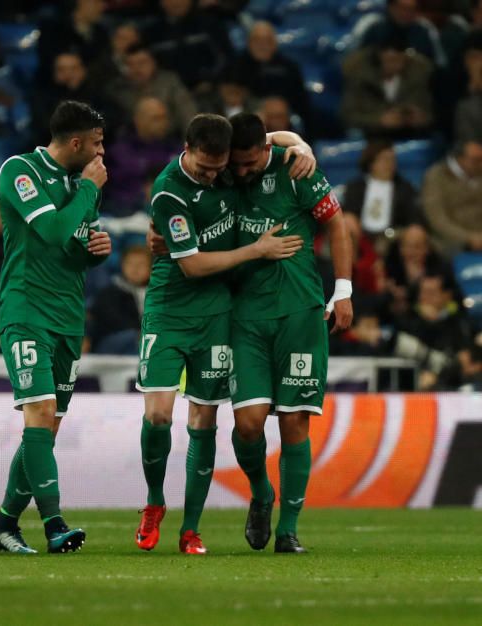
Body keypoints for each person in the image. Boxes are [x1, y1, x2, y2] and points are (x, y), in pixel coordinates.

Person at [136, 115, 308, 556]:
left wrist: (302, 146)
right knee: (157, 415)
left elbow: (272, 138)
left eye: (219, 168)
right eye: (205, 167)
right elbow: (191, 266)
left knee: (204, 419)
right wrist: (256, 250)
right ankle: (154, 502)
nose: (214, 175)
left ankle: (190, 529)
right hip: (170, 310)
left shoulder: (231, 162)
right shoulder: (170, 190)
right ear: (187, 147)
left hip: (218, 314)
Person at [225, 113, 353, 554]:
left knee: (295, 421)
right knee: (247, 424)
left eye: (248, 162)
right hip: (244, 317)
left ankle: (289, 529)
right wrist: (295, 137)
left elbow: (337, 225)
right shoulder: (220, 168)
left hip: (300, 313)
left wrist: (344, 291)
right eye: (234, 163)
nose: (240, 171)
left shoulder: (295, 170)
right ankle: (261, 492)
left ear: (265, 150)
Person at [0, 100, 111, 555]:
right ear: (75, 142)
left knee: (47, 427)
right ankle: (54, 524)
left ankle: (4, 524)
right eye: (96, 145)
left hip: (67, 315)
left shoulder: (81, 185)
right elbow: (55, 231)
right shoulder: (20, 171)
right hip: (25, 309)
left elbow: (73, 246)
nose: (102, 155)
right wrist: (88, 192)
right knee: (38, 412)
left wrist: (96, 249)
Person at [341, 140, 422, 237]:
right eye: (384, 159)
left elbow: (412, 218)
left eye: (392, 160)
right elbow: (348, 213)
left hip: (394, 240)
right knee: (348, 221)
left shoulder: (404, 188)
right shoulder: (355, 187)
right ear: (371, 163)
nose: (389, 164)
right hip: (361, 237)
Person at [421, 140, 482, 253]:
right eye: (476, 160)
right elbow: (437, 219)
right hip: (452, 241)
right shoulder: (436, 177)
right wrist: (469, 238)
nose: (480, 164)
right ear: (460, 159)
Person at [88, 244, 149, 354]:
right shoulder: (110, 292)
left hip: (143, 338)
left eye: (141, 264)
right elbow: (111, 321)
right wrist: (138, 332)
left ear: (150, 268)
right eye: (130, 264)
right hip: (112, 343)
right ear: (122, 266)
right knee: (133, 338)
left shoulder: (156, 293)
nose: (135, 269)